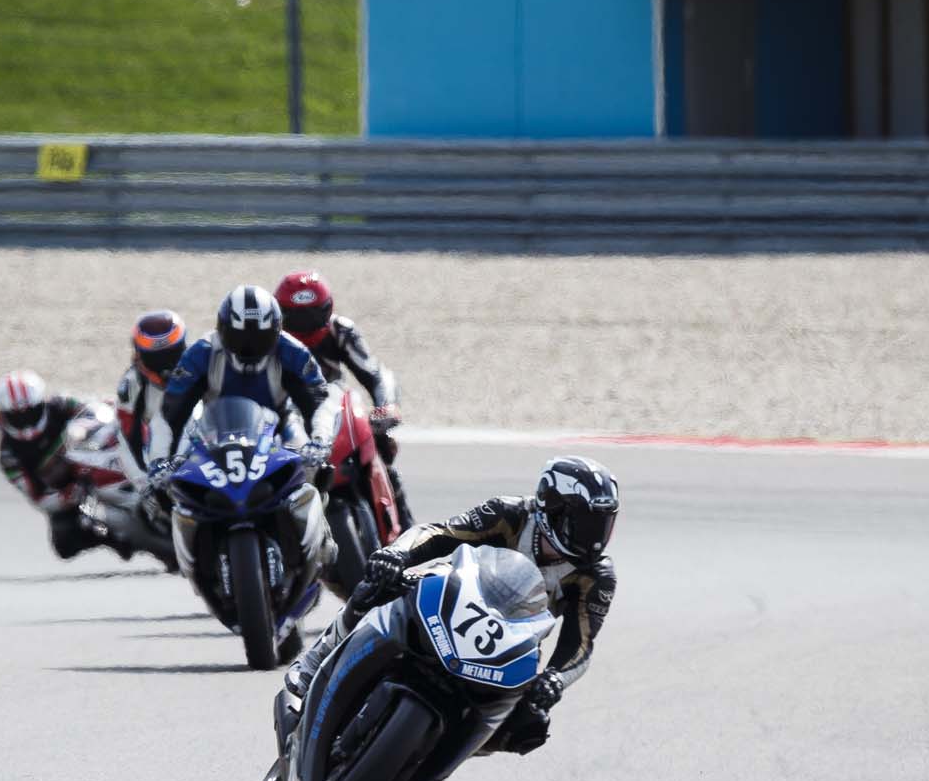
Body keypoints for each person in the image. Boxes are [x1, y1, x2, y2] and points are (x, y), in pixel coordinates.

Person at [283, 455, 620, 755]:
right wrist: (397, 554)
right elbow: (440, 534)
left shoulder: (597, 575)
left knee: (529, 725)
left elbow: (580, 644)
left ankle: (432, 760)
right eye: (586, 523)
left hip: (507, 650)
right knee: (376, 587)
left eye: (603, 524)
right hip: (450, 603)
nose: (594, 537)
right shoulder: (510, 514)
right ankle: (313, 664)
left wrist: (555, 680)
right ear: (553, 508)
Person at [155, 284, 342, 574]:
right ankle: (195, 552)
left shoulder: (291, 351)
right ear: (222, 330)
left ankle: (321, 534)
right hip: (213, 433)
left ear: (276, 331)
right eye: (240, 337)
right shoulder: (202, 353)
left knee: (317, 468)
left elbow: (319, 402)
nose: (249, 347)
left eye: (260, 338)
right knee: (176, 486)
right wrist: (158, 460)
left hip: (279, 430)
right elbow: (168, 416)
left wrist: (319, 440)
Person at [273, 270, 414, 528]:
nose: (306, 324)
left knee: (382, 445)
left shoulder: (341, 331)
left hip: (337, 410)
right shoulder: (271, 341)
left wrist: (386, 406)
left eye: (313, 315)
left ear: (327, 310)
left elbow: (376, 373)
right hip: (289, 417)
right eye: (297, 317)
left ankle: (405, 532)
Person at [0, 368, 131, 561]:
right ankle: (116, 539)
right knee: (64, 542)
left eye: (29, 412)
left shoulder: (61, 404)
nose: (25, 420)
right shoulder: (8, 454)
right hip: (69, 489)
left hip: (99, 457)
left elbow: (98, 412)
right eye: (18, 416)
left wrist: (82, 428)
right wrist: (64, 496)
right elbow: (37, 497)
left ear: (40, 403)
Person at [114, 309, 188, 484]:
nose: (165, 368)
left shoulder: (200, 366)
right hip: (159, 454)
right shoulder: (132, 383)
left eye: (171, 356)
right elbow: (127, 438)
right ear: (138, 355)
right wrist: (144, 484)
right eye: (156, 359)